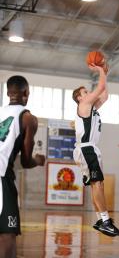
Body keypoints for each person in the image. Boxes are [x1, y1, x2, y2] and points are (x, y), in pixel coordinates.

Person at [72, 64, 119, 237]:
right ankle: (105, 221)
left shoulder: (91, 108)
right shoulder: (85, 104)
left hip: (89, 149)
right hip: (87, 149)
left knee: (97, 185)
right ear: (80, 98)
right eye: (85, 92)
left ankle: (102, 220)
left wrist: (105, 74)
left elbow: (105, 95)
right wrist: (100, 70)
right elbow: (100, 88)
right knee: (98, 184)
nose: (88, 93)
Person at [0, 75, 45, 258]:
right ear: (26, 93)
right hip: (2, 177)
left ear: (8, 93)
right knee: (7, 234)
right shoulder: (28, 118)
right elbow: (26, 162)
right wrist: (39, 160)